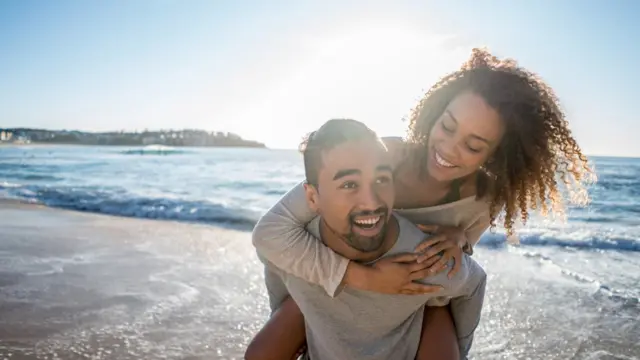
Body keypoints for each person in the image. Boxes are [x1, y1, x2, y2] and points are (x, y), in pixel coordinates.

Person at [250, 48, 594, 358]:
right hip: (337, 268)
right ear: (434, 112)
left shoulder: (484, 200)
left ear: (496, 154)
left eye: (473, 146)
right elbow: (274, 229)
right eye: (446, 126)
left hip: (415, 292)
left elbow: (451, 272)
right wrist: (361, 278)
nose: (448, 149)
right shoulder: (383, 157)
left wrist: (460, 242)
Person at [247, 119, 487, 360]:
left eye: (382, 180)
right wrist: (304, 312)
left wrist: (454, 341)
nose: (371, 202)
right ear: (312, 198)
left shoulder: (420, 259)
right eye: (349, 184)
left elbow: (473, 284)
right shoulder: (295, 246)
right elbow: (271, 255)